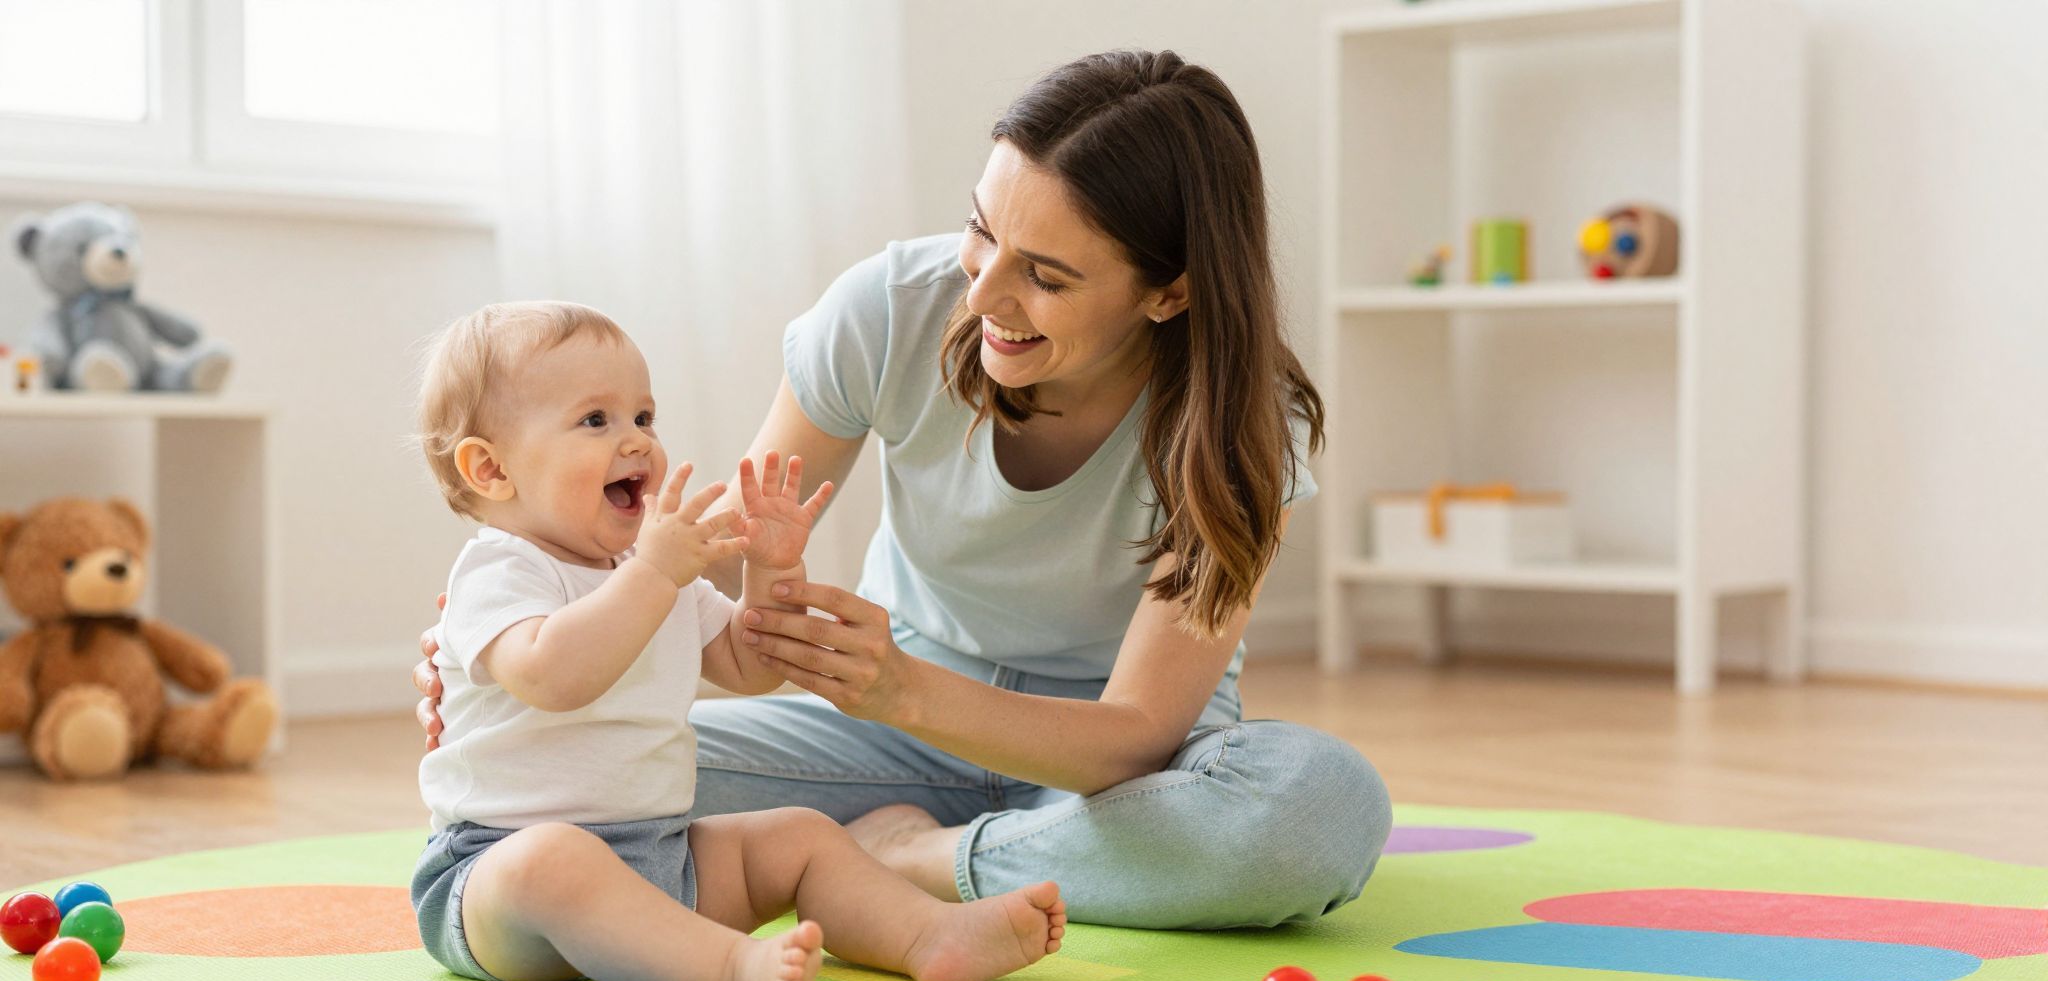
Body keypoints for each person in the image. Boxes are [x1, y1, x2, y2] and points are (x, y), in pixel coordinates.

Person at [417, 50, 1391, 933]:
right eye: (981, 231)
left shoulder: (1244, 421)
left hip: (1119, 780)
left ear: (1166, 292)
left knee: (1311, 810)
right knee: (566, 783)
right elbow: (708, 547)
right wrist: (526, 643)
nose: (980, 296)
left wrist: (902, 690)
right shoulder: (888, 308)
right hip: (880, 742)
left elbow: (1134, 737)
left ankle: (914, 862)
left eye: (1043, 276)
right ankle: (1028, 869)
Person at [408, 302, 1065, 981]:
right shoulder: (500, 571)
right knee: (558, 859)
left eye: (644, 416)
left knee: (802, 835)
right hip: (497, 884)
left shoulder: (653, 568)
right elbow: (554, 676)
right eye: (596, 421)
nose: (636, 442)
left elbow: (755, 667)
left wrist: (769, 568)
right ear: (491, 468)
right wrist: (655, 575)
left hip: (662, 858)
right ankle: (729, 970)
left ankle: (926, 935)